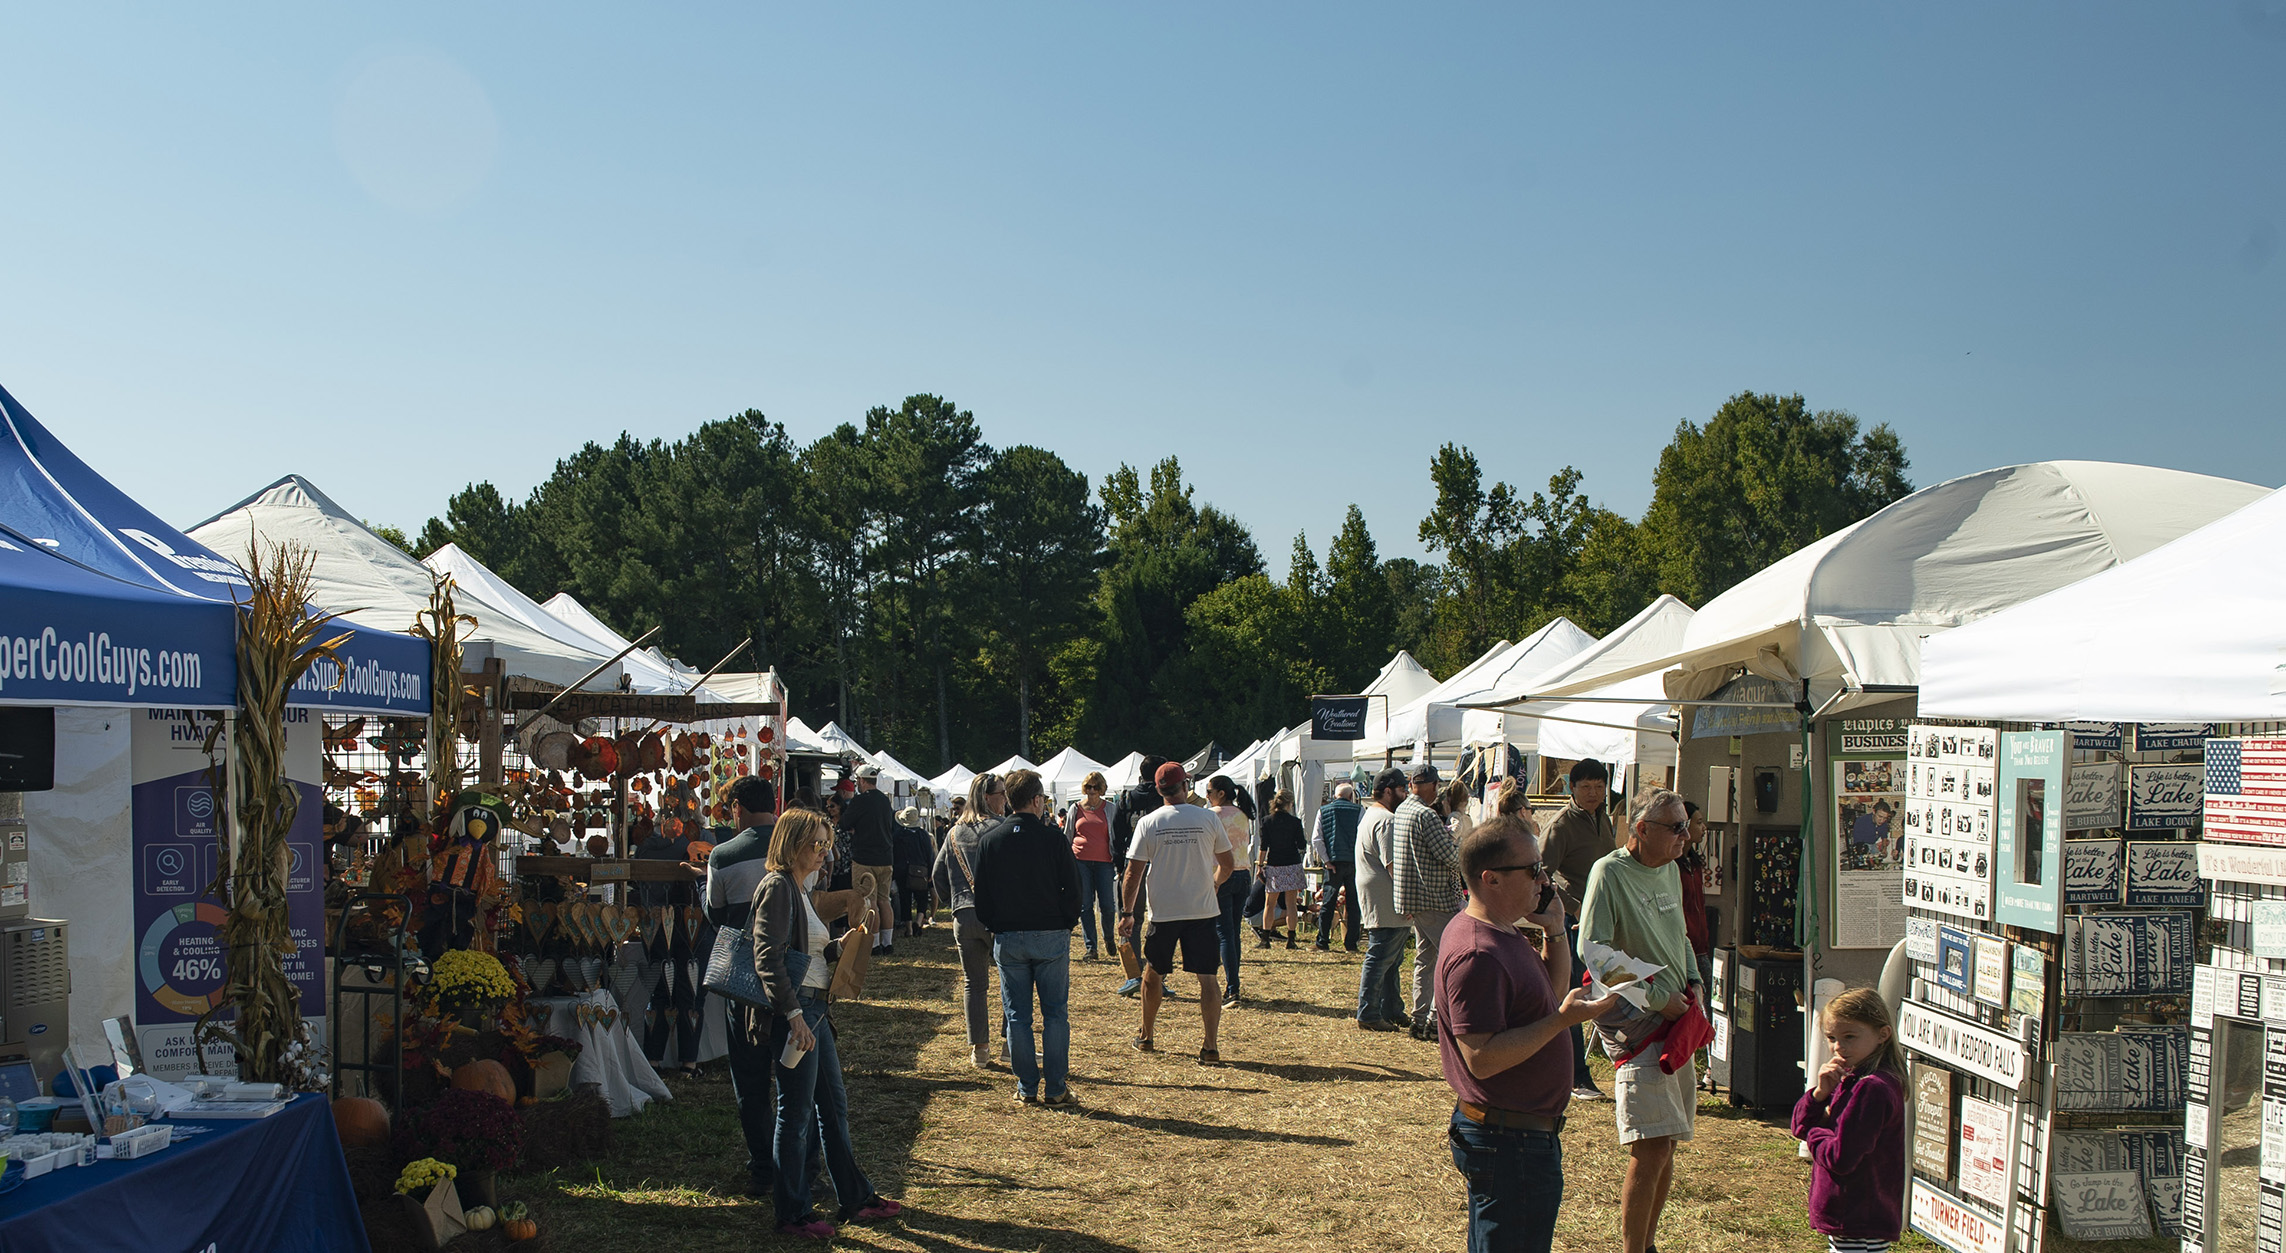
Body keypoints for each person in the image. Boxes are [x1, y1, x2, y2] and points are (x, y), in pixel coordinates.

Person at [1439, 814, 1622, 1253]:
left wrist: (1555, 929)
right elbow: (1481, 1058)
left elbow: (1550, 993)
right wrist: (1562, 1022)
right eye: (1533, 870)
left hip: (1516, 1135)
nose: (1544, 879)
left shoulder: (1500, 931)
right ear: (1491, 879)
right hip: (1509, 1141)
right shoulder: (1478, 953)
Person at [749, 809, 903, 1239]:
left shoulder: (799, 888)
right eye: (815, 843)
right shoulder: (778, 886)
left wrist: (847, 940)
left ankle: (854, 1197)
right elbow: (768, 957)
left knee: (832, 1108)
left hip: (814, 1010)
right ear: (791, 843)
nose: (823, 851)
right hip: (797, 1014)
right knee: (795, 1115)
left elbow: (810, 954)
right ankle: (791, 1214)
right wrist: (794, 1015)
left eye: (826, 843)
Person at [1579, 789, 1706, 1253]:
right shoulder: (1609, 872)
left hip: (1677, 1019)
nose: (1685, 836)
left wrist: (1694, 985)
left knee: (1667, 1139)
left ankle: (1648, 1244)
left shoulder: (1670, 868)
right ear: (1641, 829)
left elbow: (1681, 937)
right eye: (1675, 827)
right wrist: (1656, 997)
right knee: (1650, 1145)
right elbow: (1594, 952)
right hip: (1639, 1023)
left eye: (1686, 825)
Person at [971, 768, 1084, 1106]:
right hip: (1050, 933)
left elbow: (983, 897)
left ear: (1008, 800)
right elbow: (1073, 889)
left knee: (1017, 1015)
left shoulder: (991, 841)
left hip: (1009, 935)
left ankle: (1026, 1087)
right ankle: (1055, 1087)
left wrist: (995, 925)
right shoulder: (1053, 839)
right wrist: (1066, 922)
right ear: (1037, 801)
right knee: (1055, 1014)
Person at [702, 776, 789, 1197]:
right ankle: (802, 1164)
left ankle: (762, 1168)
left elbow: (715, 915)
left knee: (751, 1078)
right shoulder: (799, 843)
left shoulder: (722, 854)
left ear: (737, 807)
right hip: (795, 972)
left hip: (745, 975)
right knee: (798, 1077)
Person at [1118, 761, 1236, 1064]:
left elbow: (1133, 873)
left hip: (1165, 911)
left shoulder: (1149, 822)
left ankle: (1146, 1035)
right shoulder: (1208, 818)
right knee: (1207, 978)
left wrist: (1127, 912)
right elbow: (1228, 864)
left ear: (1159, 790)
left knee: (1152, 973)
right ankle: (1210, 1046)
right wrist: (1214, 884)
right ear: (1185, 786)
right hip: (1202, 909)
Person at [1794, 989, 1906, 1253]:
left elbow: (1841, 1157)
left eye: (1849, 1037)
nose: (1838, 1047)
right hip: (1857, 1215)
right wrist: (1820, 1093)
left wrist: (1816, 1130)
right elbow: (1798, 1125)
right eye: (1831, 1038)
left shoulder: (1871, 1088)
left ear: (1883, 1034)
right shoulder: (1854, 1079)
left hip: (1858, 1215)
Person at [1541, 758, 1616, 1101]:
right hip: (1573, 924)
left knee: (1609, 988)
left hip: (1603, 921)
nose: (1593, 794)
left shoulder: (1604, 818)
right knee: (1571, 994)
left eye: (1599, 787)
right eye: (1586, 787)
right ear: (1572, 787)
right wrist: (1572, 908)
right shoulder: (1562, 825)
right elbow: (1541, 874)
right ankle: (1576, 1076)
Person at [933, 772, 1007, 1068]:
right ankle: (1010, 1045)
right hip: (998, 916)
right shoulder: (1001, 828)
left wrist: (955, 902)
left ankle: (980, 1050)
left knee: (974, 984)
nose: (1005, 799)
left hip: (964, 916)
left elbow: (937, 876)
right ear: (988, 797)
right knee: (1008, 982)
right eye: (1001, 793)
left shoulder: (953, 833)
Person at [1393, 762, 1463, 1041]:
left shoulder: (1403, 810)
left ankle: (1419, 1017)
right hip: (1433, 897)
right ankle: (1434, 1021)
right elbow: (1451, 857)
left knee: (1426, 959)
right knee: (1447, 960)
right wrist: (1456, 837)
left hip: (1414, 897)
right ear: (1433, 786)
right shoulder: (1426, 815)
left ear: (1411, 785)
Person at [1354, 769, 1411, 1030]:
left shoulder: (1371, 815)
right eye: (1402, 789)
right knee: (1380, 956)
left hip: (1376, 891)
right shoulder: (1387, 820)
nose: (1406, 794)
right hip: (1385, 895)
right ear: (1388, 791)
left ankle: (1391, 1008)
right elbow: (1394, 866)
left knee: (1391, 958)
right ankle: (1368, 1013)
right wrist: (1407, 900)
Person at [1110, 756, 1168, 998]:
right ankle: (1157, 976)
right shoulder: (1164, 798)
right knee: (1161, 922)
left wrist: (1119, 866)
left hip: (1131, 865)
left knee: (1129, 920)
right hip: (1160, 866)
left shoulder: (1125, 799)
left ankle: (1133, 976)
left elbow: (1115, 835)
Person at [1205, 775, 1255, 1006]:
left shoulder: (1213, 815)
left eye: (1209, 791)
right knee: (1233, 933)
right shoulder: (1243, 814)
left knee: (1223, 932)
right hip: (1243, 874)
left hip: (1221, 874)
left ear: (1220, 793)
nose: (1207, 796)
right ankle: (1234, 984)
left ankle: (1232, 987)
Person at [841, 765, 899, 954]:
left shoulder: (860, 801)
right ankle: (887, 943)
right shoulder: (884, 800)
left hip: (865, 858)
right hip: (886, 857)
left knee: (869, 901)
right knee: (884, 900)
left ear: (862, 781)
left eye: (858, 781)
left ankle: (873, 945)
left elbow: (844, 823)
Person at [1063, 771, 1121, 962]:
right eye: (1089, 787)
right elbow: (1068, 834)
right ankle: (1091, 947)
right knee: (1085, 905)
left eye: (1096, 787)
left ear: (1102, 788)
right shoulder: (1076, 808)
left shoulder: (1111, 808)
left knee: (1107, 905)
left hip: (1104, 862)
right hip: (1080, 861)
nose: (1092, 791)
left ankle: (1109, 938)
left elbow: (1115, 835)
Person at [1313, 782, 1364, 952]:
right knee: (1353, 903)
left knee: (1328, 902)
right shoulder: (1359, 811)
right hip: (1353, 862)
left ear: (1334, 796)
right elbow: (1363, 837)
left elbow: (1317, 839)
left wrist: (1326, 861)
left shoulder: (1323, 811)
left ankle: (1323, 940)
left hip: (1333, 863)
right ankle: (1351, 943)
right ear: (1351, 796)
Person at [1256, 790, 1308, 949]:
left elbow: (1263, 846)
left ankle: (1265, 939)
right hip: (1292, 863)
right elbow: (1302, 845)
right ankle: (1291, 939)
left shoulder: (1267, 821)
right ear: (1289, 804)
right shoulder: (1295, 822)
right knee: (1291, 903)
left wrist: (1260, 865)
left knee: (1269, 904)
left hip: (1274, 864)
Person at [1678, 801, 1714, 997]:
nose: (1703, 828)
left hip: (1700, 947)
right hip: (1681, 949)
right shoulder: (1671, 864)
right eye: (1698, 822)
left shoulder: (1694, 862)